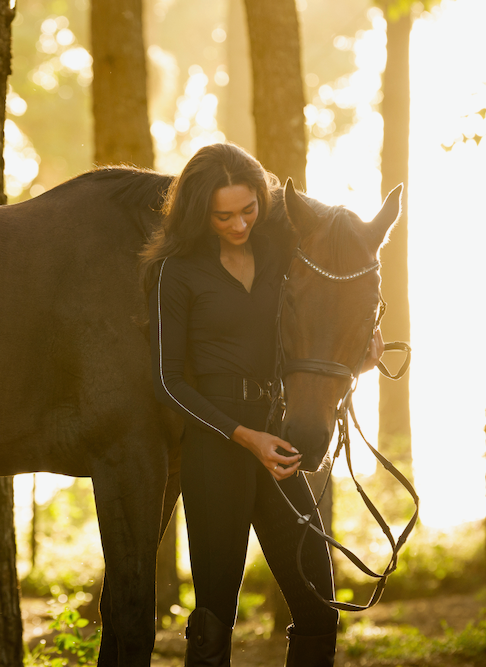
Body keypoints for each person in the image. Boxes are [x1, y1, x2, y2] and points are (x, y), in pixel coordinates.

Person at [139, 143, 383, 667]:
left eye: (248, 210)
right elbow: (169, 380)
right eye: (223, 215)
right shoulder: (175, 274)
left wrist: (357, 352)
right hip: (217, 447)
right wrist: (245, 437)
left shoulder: (280, 258)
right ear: (199, 210)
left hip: (278, 437)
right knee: (214, 619)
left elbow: (317, 317)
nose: (238, 224)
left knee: (320, 604)